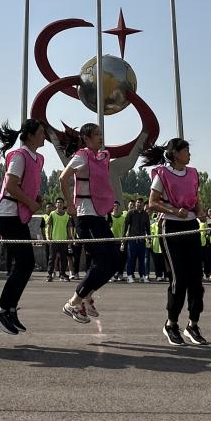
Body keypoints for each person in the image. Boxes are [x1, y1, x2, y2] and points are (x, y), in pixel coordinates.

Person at [144, 138, 209, 346]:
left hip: (191, 226)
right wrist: (173, 211)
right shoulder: (162, 174)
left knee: (196, 280)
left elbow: (196, 199)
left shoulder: (193, 173)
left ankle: (193, 325)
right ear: (175, 154)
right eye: (186, 150)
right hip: (171, 227)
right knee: (178, 279)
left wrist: (200, 212)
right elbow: (152, 203)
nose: (189, 154)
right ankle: (171, 324)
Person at [0, 119, 47, 334]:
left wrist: (35, 197)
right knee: (24, 262)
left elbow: (26, 185)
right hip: (7, 214)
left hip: (18, 215)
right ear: (30, 135)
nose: (44, 135)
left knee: (27, 263)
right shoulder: (20, 156)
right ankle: (1, 309)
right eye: (41, 132)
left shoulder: (37, 158)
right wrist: (31, 202)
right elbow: (11, 186)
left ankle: (10, 308)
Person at [59, 124, 121, 324]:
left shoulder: (102, 157)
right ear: (86, 138)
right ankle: (73, 303)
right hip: (85, 216)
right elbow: (63, 178)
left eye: (101, 134)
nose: (100, 137)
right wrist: (70, 205)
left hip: (100, 216)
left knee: (115, 261)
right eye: (96, 135)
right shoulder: (82, 156)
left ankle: (87, 296)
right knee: (101, 262)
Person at [124, 198, 151, 282]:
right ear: (136, 203)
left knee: (142, 259)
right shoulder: (131, 213)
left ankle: (142, 275)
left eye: (141, 203)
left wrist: (149, 238)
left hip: (142, 240)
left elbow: (148, 227)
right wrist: (123, 237)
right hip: (132, 239)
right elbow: (125, 225)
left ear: (143, 204)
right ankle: (129, 275)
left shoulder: (145, 214)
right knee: (131, 258)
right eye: (138, 202)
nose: (139, 204)